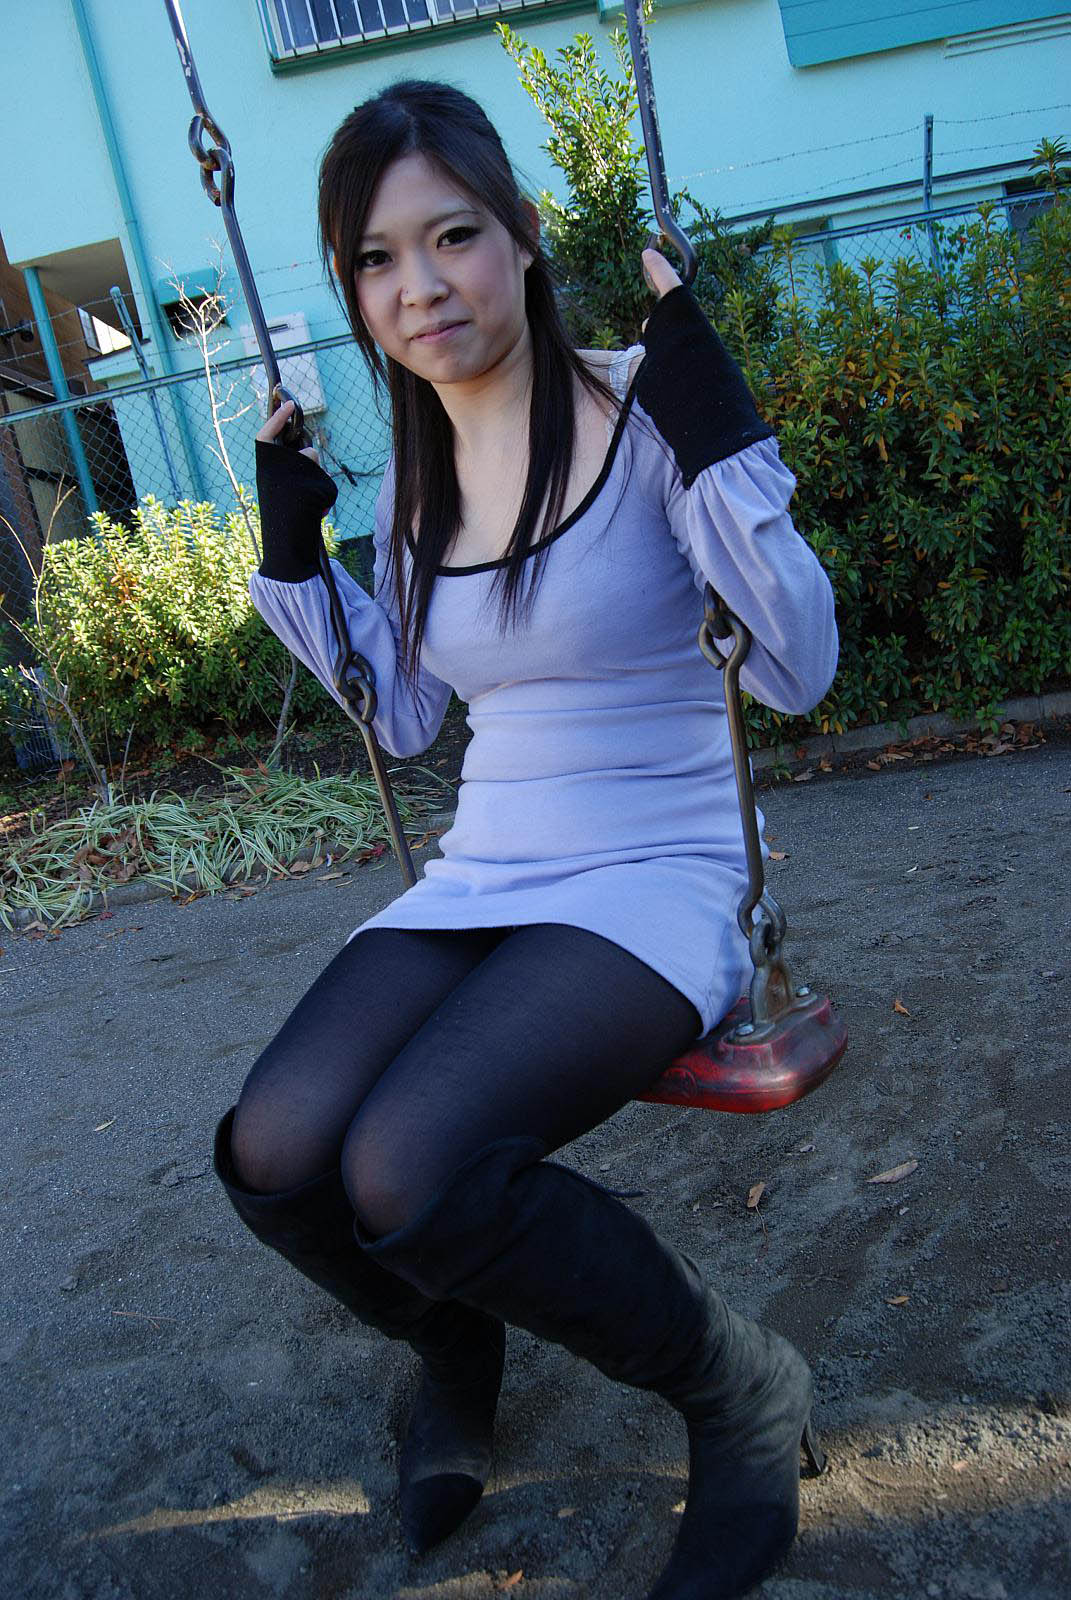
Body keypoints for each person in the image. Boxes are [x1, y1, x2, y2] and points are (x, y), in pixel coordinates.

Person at [212, 78, 838, 1600]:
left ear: (525, 234)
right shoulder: (412, 485)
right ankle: (455, 1341)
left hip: (665, 864)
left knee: (409, 1166)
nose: (420, 287)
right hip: (494, 863)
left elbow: (800, 667)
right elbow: (407, 711)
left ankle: (737, 1388)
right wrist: (295, 550)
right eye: (376, 258)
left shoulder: (644, 416)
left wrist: (719, 439)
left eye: (453, 237)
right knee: (275, 1151)